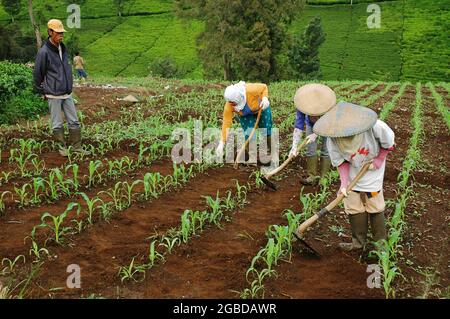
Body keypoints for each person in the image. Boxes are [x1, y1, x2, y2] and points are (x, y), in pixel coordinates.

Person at [313, 101, 395, 251]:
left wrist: (379, 159)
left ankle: (381, 245)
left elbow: (389, 144)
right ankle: (358, 243)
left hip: (372, 170)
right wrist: (344, 184)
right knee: (353, 205)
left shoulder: (375, 127)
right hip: (352, 172)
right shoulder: (333, 138)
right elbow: (341, 162)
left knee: (374, 204)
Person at [33, 19, 89, 157]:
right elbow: (37, 73)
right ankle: (62, 147)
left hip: (66, 92)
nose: (61, 35)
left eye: (62, 33)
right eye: (58, 33)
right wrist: (42, 91)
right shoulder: (44, 52)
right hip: (53, 93)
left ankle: (77, 147)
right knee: (57, 123)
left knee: (74, 120)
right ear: (50, 32)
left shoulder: (63, 48)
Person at [289, 84, 336, 185]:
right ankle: (311, 176)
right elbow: (299, 125)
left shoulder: (328, 106)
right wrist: (294, 146)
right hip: (311, 125)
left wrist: (316, 134)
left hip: (327, 124)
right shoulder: (302, 105)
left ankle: (324, 177)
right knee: (310, 149)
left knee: (326, 150)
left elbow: (329, 122)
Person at [216, 81, 273, 165]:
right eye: (231, 103)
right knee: (249, 133)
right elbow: (226, 123)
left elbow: (264, 87)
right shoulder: (229, 105)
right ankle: (252, 159)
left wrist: (265, 98)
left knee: (266, 130)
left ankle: (271, 151)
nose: (232, 104)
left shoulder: (250, 90)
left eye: (234, 103)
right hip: (245, 114)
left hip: (261, 107)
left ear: (239, 97)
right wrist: (222, 143)